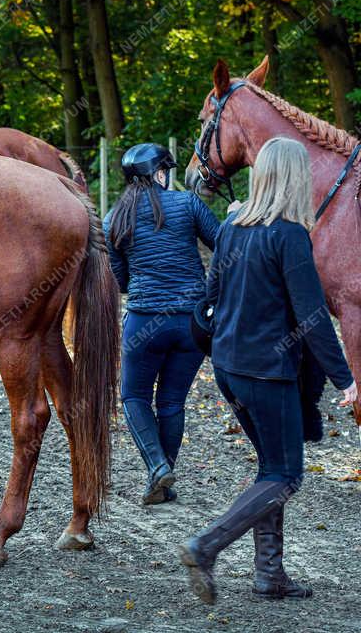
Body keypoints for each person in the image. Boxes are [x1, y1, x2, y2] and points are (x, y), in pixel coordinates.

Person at [179, 136, 357, 603]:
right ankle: (206, 545)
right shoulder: (290, 235)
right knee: (285, 475)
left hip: (229, 368)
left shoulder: (234, 226)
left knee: (270, 470)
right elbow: (313, 317)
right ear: (297, 179)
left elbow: (209, 299)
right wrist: (348, 380)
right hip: (266, 372)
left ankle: (269, 575)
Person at [104, 143, 220, 505]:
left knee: (134, 396)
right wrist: (210, 292)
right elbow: (224, 244)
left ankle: (157, 467)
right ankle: (163, 481)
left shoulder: (114, 218)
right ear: (159, 173)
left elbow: (118, 278)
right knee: (171, 402)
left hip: (144, 322)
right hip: (191, 324)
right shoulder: (188, 204)